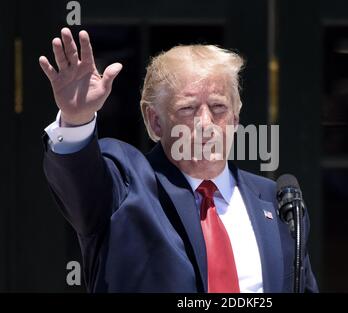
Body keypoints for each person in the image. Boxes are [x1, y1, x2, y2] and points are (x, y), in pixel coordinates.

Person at [39, 27, 318, 293]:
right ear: (155, 121)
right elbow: (79, 187)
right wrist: (76, 119)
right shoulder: (127, 182)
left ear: (235, 118)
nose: (206, 123)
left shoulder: (276, 201)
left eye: (219, 107)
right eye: (187, 109)